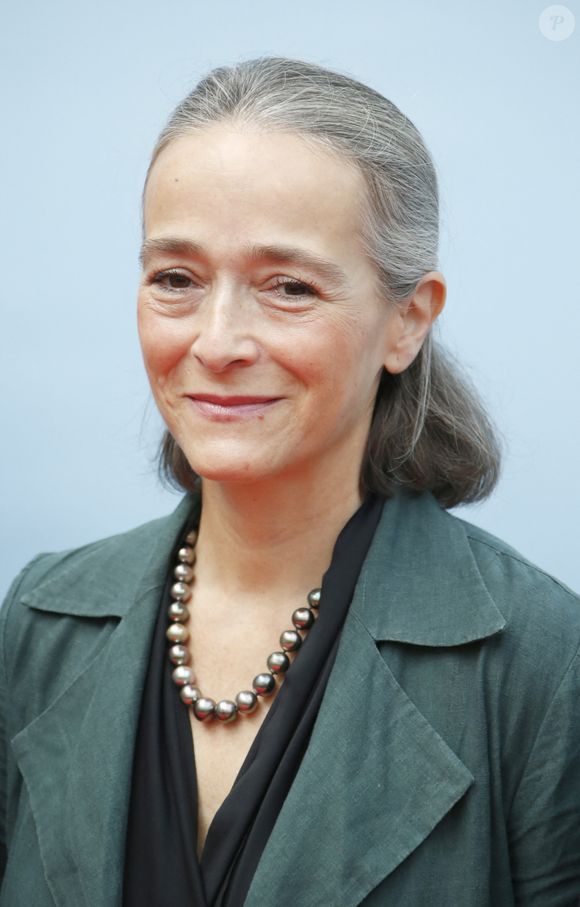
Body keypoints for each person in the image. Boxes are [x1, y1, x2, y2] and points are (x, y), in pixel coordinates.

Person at [1, 55, 579, 907]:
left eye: (288, 286)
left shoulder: (542, 659)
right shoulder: (39, 623)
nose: (218, 340)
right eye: (176, 279)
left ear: (407, 323)